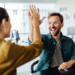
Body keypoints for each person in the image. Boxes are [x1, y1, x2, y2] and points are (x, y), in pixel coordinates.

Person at [0, 5, 44, 75]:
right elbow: (36, 47)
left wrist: (33, 25)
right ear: (4, 22)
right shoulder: (6, 48)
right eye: (10, 22)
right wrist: (36, 24)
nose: (11, 26)